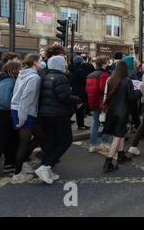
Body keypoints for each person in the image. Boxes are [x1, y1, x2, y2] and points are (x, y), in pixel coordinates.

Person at [36, 55, 83, 184]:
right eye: (64, 63)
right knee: (65, 140)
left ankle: (46, 166)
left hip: (44, 114)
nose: (66, 65)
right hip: (58, 114)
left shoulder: (45, 76)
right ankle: (46, 166)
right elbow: (64, 97)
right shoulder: (61, 77)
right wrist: (77, 99)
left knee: (51, 141)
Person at [102, 61, 142, 174]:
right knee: (118, 136)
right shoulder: (127, 81)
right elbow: (131, 98)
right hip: (122, 111)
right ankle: (108, 162)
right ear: (125, 70)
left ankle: (121, 155)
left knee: (121, 133)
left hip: (112, 111)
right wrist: (140, 90)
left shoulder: (110, 79)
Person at [10, 54, 43, 184]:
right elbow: (26, 98)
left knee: (40, 135)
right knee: (24, 143)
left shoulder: (22, 74)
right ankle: (17, 174)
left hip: (18, 109)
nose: (41, 62)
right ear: (34, 62)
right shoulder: (34, 77)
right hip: (24, 112)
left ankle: (21, 164)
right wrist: (22, 119)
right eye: (40, 61)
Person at [0, 61, 22, 174]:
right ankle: (9, 163)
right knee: (2, 140)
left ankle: (9, 163)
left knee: (11, 140)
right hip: (4, 113)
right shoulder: (8, 81)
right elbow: (5, 101)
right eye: (19, 69)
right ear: (14, 70)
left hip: (3, 113)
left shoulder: (3, 79)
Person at [86, 56, 111, 153]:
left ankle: (93, 144)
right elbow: (104, 89)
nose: (108, 64)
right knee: (107, 122)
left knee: (95, 122)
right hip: (102, 102)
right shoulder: (104, 75)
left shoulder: (90, 75)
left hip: (92, 101)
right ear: (104, 63)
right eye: (107, 62)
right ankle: (104, 142)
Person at [69, 55, 90, 130]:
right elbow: (84, 81)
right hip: (81, 91)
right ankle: (81, 125)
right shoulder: (80, 70)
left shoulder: (71, 69)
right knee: (80, 109)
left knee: (73, 107)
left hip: (73, 91)